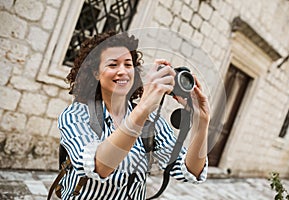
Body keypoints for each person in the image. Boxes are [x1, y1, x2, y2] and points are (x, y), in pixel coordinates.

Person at [58, 31, 210, 200]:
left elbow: (190, 170)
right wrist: (144, 107)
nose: (122, 71)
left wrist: (202, 122)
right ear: (95, 73)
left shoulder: (151, 122)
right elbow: (99, 166)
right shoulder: (76, 115)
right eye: (113, 65)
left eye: (128, 65)